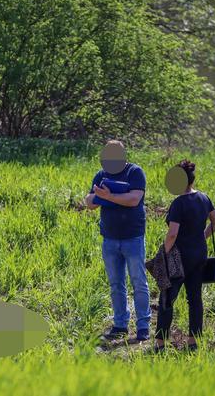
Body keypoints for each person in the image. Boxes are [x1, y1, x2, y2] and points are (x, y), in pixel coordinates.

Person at [85, 140, 151, 341]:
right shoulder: (101, 174)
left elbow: (134, 200)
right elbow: (89, 202)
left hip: (133, 237)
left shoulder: (135, 172)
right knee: (116, 284)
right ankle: (120, 325)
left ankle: (143, 327)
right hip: (110, 238)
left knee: (138, 282)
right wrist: (101, 197)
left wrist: (108, 196)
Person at [154, 160, 215, 353]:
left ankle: (160, 343)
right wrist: (203, 236)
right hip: (199, 254)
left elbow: (173, 233)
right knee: (195, 298)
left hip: (178, 258)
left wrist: (165, 253)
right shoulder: (203, 198)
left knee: (167, 298)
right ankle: (193, 341)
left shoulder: (178, 204)